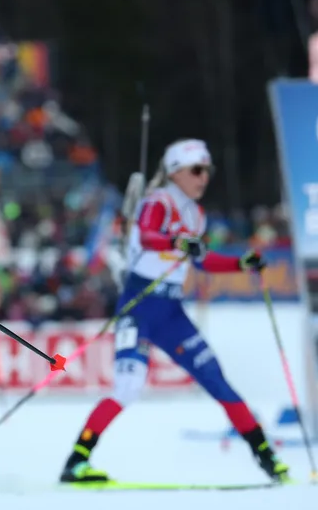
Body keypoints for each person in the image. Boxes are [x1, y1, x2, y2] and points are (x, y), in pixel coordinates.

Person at [59, 139, 289, 484]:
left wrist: (241, 263)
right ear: (176, 171)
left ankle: (268, 459)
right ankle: (76, 462)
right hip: (139, 306)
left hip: (170, 314)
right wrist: (178, 242)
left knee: (217, 380)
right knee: (127, 387)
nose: (203, 178)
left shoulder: (196, 214)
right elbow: (149, 236)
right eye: (197, 170)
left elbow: (204, 260)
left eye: (207, 171)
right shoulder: (158, 200)